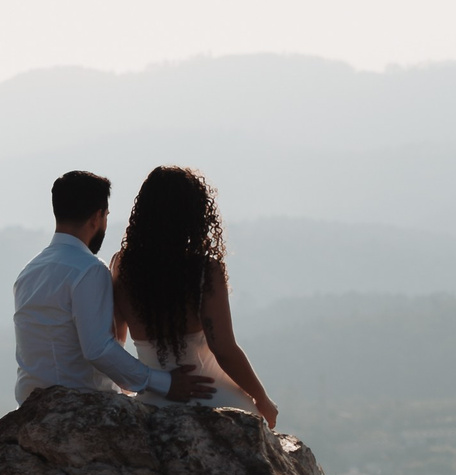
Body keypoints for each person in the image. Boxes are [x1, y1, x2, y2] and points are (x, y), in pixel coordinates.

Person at [14, 170, 217, 406]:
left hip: (30, 403)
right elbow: (98, 349)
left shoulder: (29, 271)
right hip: (82, 403)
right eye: (106, 215)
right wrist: (165, 383)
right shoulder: (89, 270)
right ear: (97, 217)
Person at [111, 165, 281, 427]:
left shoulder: (121, 266)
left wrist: (135, 387)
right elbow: (223, 349)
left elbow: (116, 340)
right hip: (211, 398)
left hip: (151, 399)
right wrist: (262, 399)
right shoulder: (204, 271)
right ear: (195, 215)